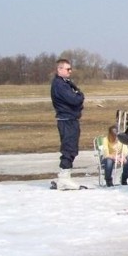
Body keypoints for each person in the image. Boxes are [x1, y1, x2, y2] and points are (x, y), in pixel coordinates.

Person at [50, 58, 85, 190]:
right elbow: (75, 100)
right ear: (59, 69)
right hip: (67, 120)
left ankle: (64, 176)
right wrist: (79, 97)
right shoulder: (59, 85)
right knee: (69, 148)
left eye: (70, 69)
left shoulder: (66, 83)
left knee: (72, 148)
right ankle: (64, 178)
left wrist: (78, 96)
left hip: (71, 119)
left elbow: (78, 96)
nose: (70, 71)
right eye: (67, 69)